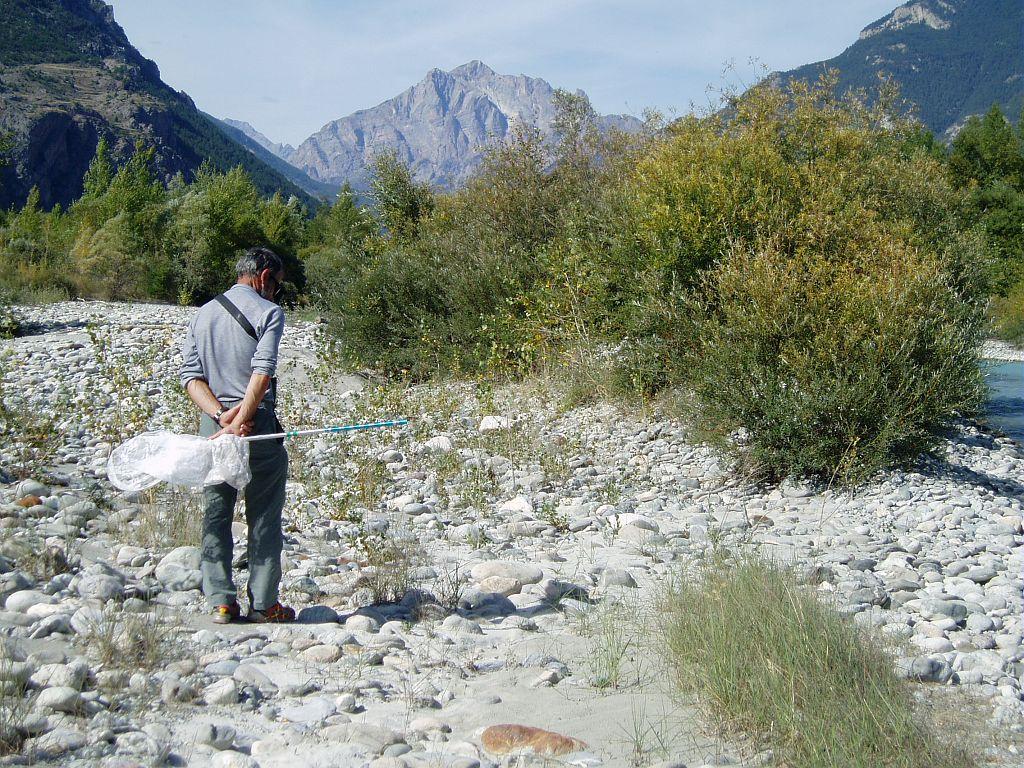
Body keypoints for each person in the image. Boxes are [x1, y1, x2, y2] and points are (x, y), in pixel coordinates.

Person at [179, 246, 295, 624]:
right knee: (263, 514)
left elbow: (190, 377)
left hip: (212, 424)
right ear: (264, 277)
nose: (276, 292)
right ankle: (264, 603)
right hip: (255, 425)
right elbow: (262, 373)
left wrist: (219, 418)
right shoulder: (269, 313)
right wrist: (242, 419)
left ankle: (221, 601)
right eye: (277, 284)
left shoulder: (203, 313)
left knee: (216, 512)